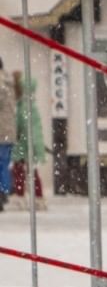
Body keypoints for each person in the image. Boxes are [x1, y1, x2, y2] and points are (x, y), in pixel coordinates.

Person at [11, 71, 46, 210]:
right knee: (32, 172)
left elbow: (20, 126)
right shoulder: (31, 106)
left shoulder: (22, 107)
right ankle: (38, 198)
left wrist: (16, 137)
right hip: (31, 143)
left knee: (19, 171)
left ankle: (21, 197)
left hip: (23, 143)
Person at [0, 59, 14, 212]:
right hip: (8, 131)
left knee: (1, 164)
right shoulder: (8, 80)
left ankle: (1, 194)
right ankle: (4, 191)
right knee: (4, 163)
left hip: (1, 130)